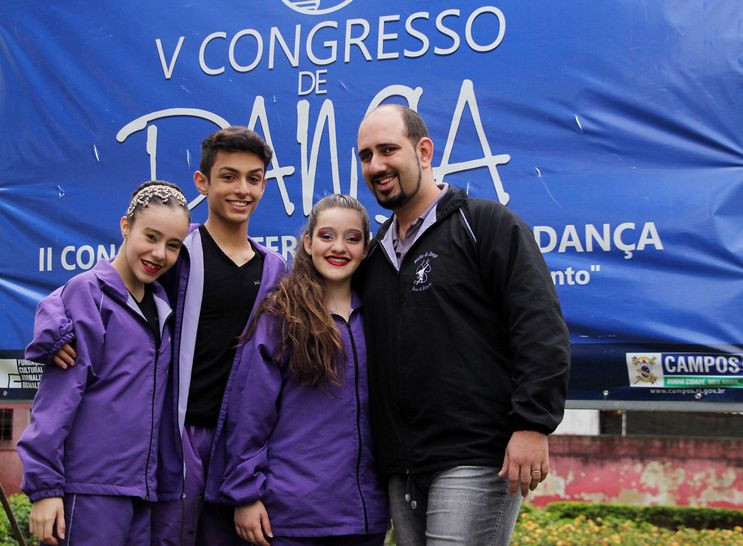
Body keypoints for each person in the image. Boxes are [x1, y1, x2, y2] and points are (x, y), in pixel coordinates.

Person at [51, 127, 288, 545]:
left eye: (253, 178)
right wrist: (54, 326)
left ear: (265, 185)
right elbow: (99, 284)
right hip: (171, 440)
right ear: (203, 182)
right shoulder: (178, 250)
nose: (241, 189)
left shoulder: (275, 272)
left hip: (234, 445)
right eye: (228, 176)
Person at [356, 104, 570, 545]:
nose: (376, 165)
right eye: (365, 155)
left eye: (388, 150)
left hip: (476, 456)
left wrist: (533, 424)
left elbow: (540, 327)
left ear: (424, 150)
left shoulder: (487, 225)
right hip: (402, 468)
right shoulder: (374, 254)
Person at [204, 194, 389, 546]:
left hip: (365, 519)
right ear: (308, 242)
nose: (339, 247)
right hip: (290, 519)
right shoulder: (281, 315)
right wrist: (245, 494)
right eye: (327, 236)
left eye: (352, 238)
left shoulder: (379, 316)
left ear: (366, 249)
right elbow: (249, 412)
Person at [18, 181, 191, 545]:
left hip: (141, 491)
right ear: (125, 226)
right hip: (89, 489)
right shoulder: (87, 295)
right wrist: (45, 489)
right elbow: (55, 403)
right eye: (151, 236)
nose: (160, 253)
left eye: (173, 245)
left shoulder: (162, 306)